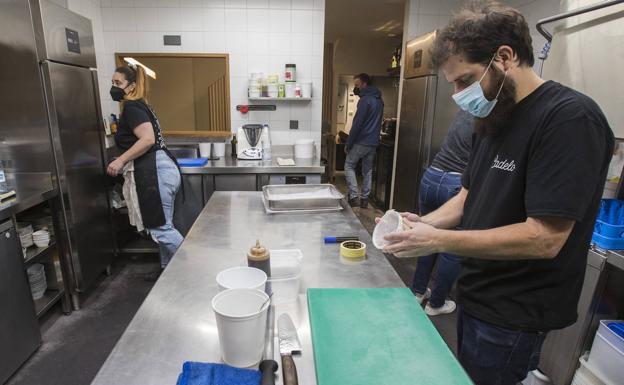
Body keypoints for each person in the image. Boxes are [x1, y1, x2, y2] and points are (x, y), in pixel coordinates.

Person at [382, 2, 614, 384]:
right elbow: (468, 197)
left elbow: (545, 238)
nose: (459, 94)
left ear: (504, 57)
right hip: (476, 294)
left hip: (516, 310)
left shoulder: (569, 119)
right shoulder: (493, 117)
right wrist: (419, 224)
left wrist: (438, 240)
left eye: (465, 80)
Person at [106, 64, 183, 281]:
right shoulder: (141, 105)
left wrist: (120, 160)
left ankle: (195, 267)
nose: (114, 87)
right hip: (161, 169)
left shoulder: (132, 107)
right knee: (165, 226)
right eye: (112, 83)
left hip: (153, 172)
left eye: (118, 83)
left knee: (160, 229)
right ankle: (169, 274)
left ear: (131, 86)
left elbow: (148, 139)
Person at [412, 110, 473, 316]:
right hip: (457, 183)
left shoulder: (465, 110)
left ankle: (418, 292)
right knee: (452, 248)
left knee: (426, 234)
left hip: (432, 175)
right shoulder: (491, 116)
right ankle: (436, 304)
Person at [345, 73, 384, 208]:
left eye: (356, 85)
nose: (355, 88)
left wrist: (349, 143)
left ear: (364, 84)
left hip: (362, 140)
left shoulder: (365, 100)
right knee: (367, 170)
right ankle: (365, 200)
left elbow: (357, 124)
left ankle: (354, 196)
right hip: (373, 142)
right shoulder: (379, 100)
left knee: (349, 165)